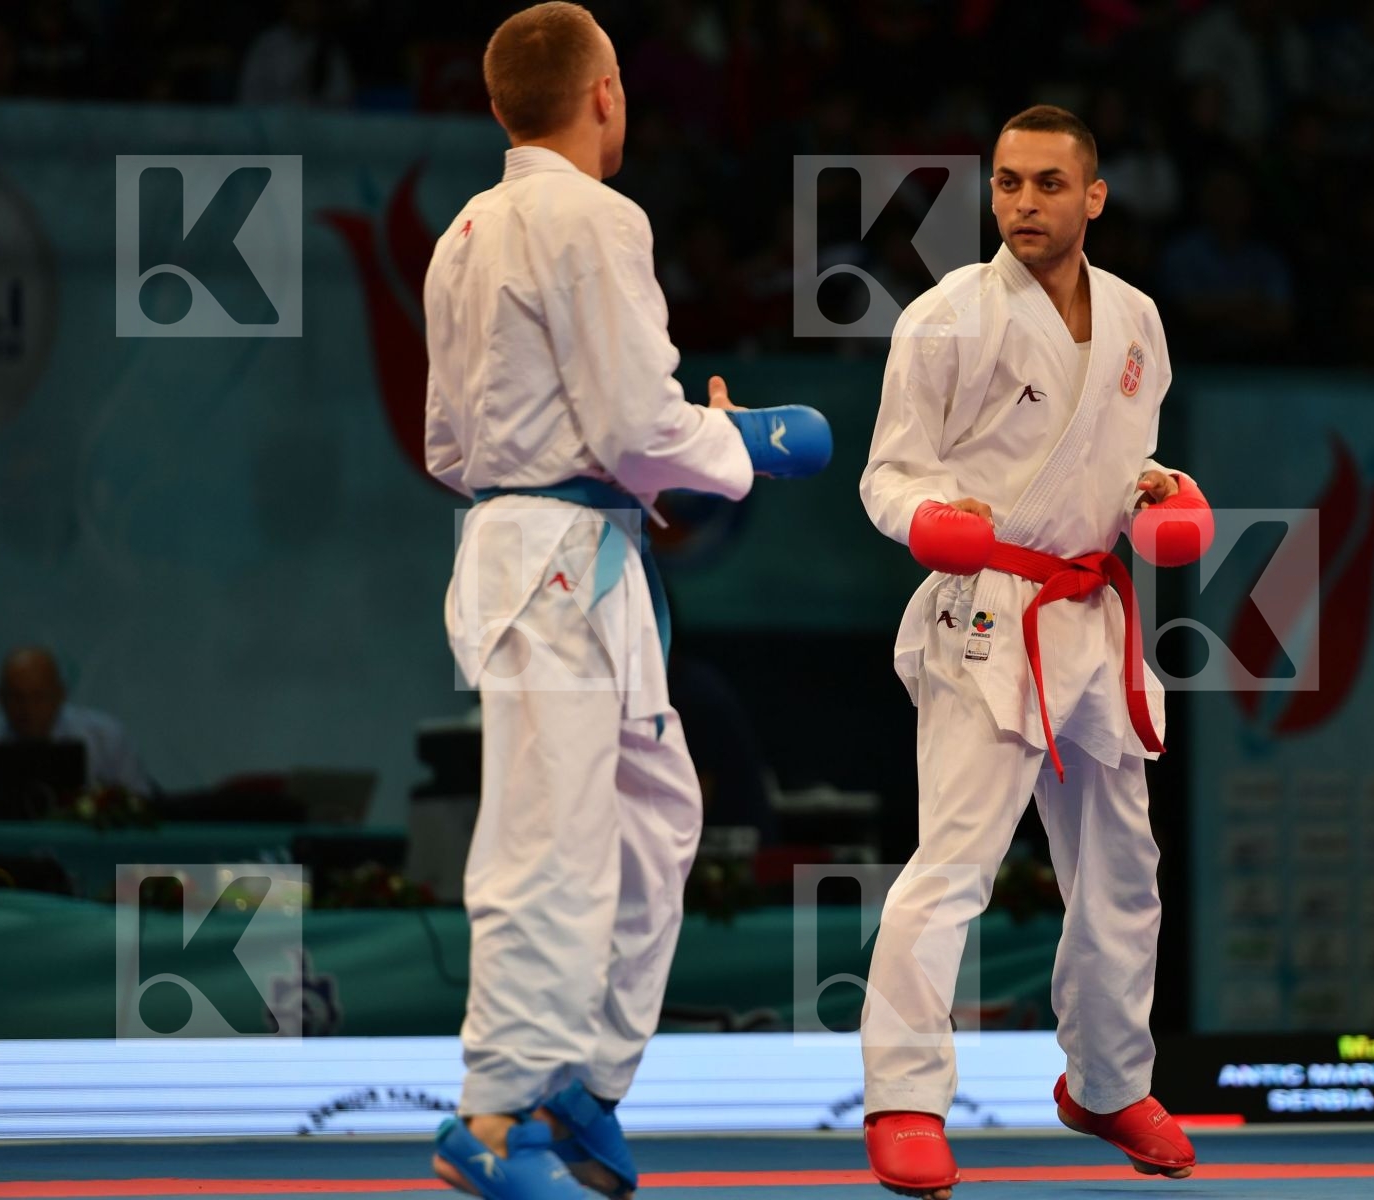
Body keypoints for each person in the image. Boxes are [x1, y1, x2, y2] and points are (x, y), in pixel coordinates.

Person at [421, 6, 830, 1198]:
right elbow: (638, 425)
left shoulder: (462, 232)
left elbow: (453, 445)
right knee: (548, 844)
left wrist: (622, 463)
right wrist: (738, 437)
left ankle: (582, 1086)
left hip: (564, 544)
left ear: (503, 107)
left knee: (658, 819)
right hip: (553, 559)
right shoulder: (597, 216)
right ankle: (488, 1123)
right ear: (605, 93)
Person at [857, 104, 1211, 1198]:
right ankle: (906, 1098)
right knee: (953, 867)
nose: (1023, 203)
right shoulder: (946, 317)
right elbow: (886, 476)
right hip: (986, 610)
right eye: (1008, 183)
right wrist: (930, 523)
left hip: (1091, 621)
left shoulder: (1140, 320)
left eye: (1050, 184)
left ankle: (1107, 1083)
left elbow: (1127, 468)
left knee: (1123, 875)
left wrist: (1165, 497)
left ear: (1093, 197)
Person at [0, 646, 151, 796]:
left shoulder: (105, 737)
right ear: (1, 698)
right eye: (17, 697)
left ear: (60, 694)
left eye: (38, 696)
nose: (28, 708)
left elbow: (139, 801)